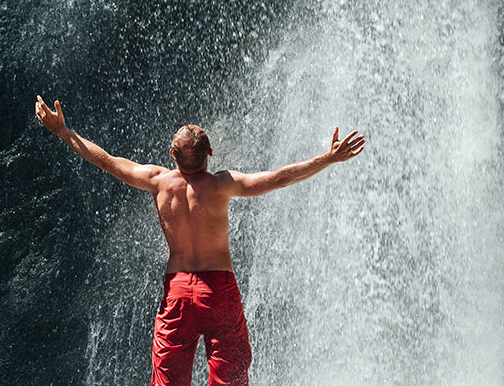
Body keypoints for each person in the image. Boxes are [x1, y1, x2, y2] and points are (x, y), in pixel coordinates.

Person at [34, 95, 365, 386]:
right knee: (230, 376)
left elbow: (107, 161)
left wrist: (63, 131)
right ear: (210, 152)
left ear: (171, 155)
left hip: (177, 291)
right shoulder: (223, 185)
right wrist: (327, 158)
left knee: (168, 380)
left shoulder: (159, 182)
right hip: (219, 290)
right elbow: (278, 178)